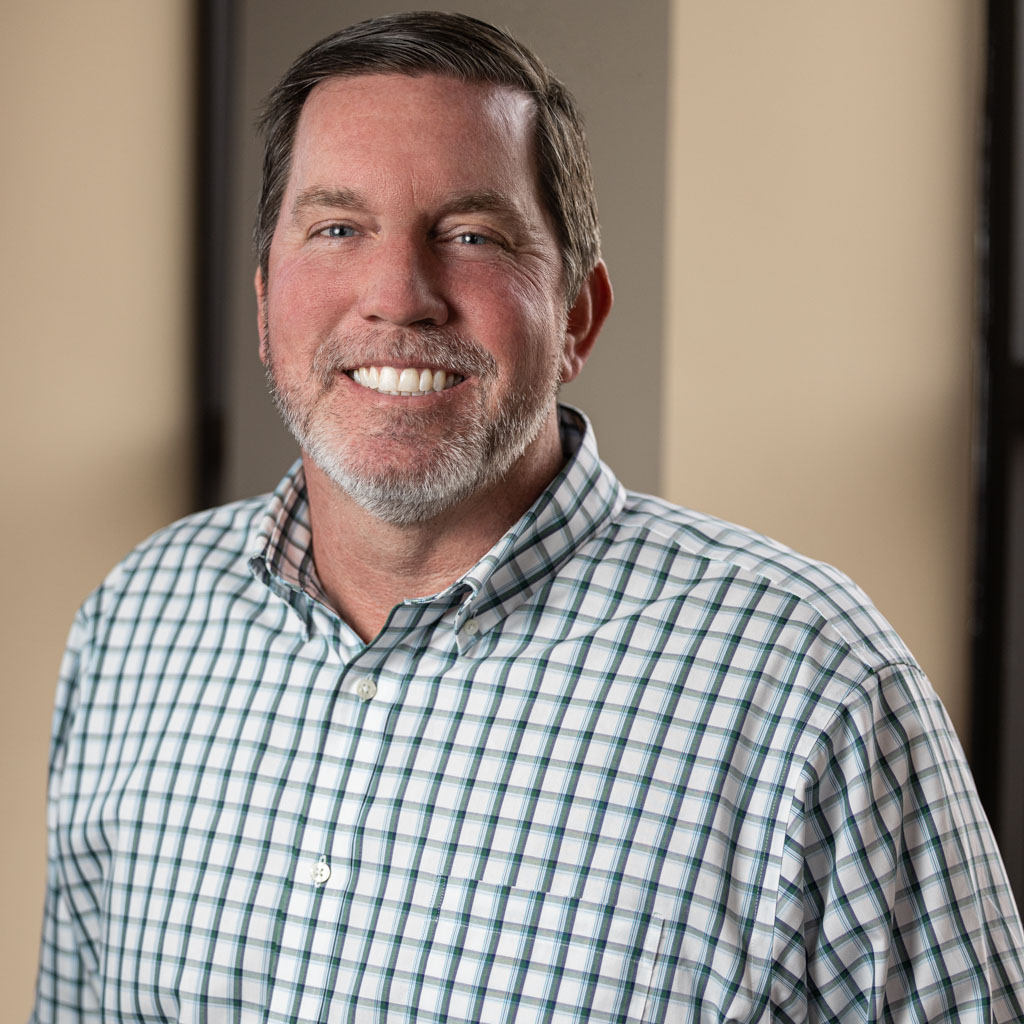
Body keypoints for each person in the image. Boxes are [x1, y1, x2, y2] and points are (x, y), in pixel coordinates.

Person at [31, 11, 1024, 1022]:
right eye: (337, 229)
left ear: (578, 316)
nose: (398, 296)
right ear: (262, 304)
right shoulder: (136, 621)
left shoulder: (812, 682)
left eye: (470, 234)